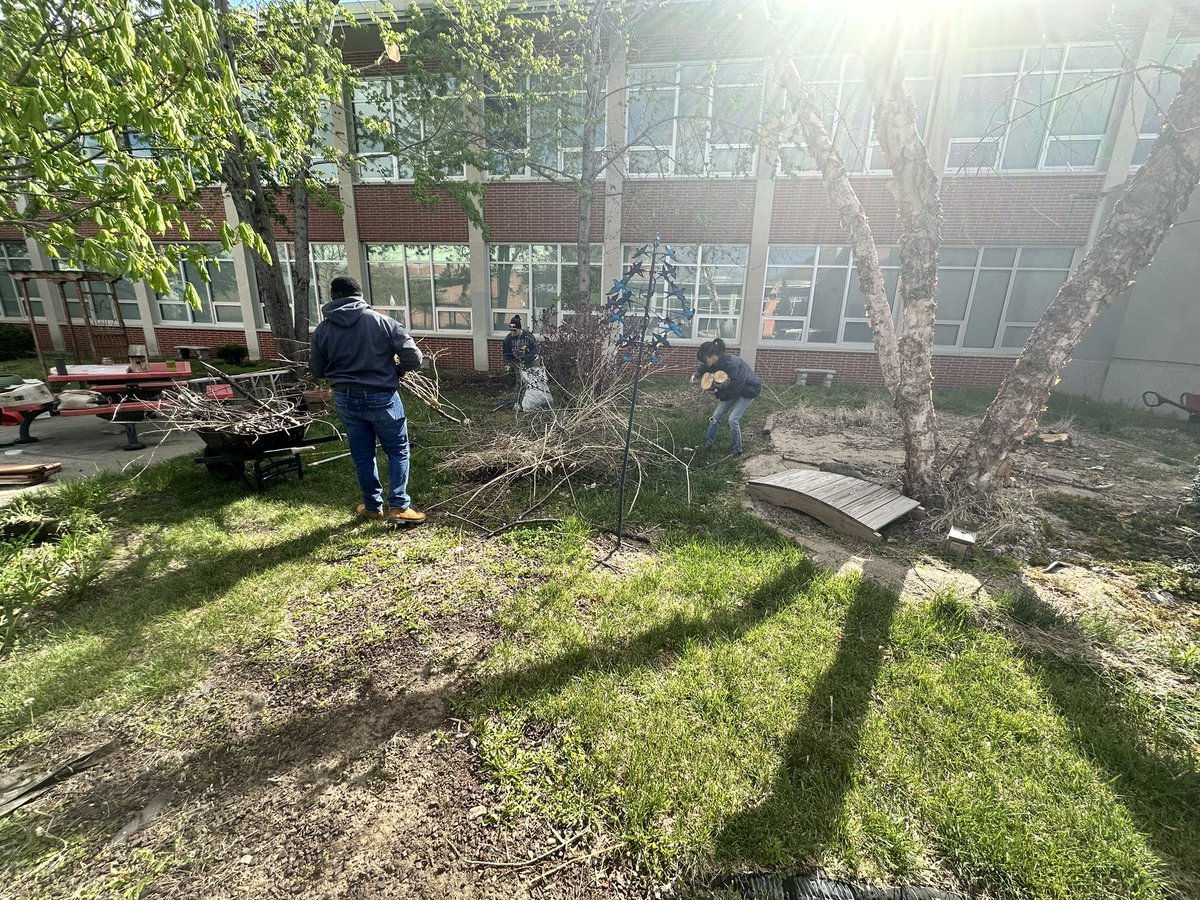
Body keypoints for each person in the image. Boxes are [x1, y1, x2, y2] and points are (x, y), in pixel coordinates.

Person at [309, 275, 426, 525]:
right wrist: (397, 371)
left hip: (345, 398)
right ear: (360, 295)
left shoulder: (323, 329)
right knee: (397, 450)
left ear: (335, 296)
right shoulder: (384, 322)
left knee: (362, 454)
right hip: (382, 397)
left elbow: (317, 370)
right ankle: (399, 506)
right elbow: (414, 358)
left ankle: (373, 507)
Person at [691, 338, 762, 456]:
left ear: (713, 355)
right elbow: (704, 367)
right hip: (733, 389)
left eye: (704, 359)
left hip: (749, 389)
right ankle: (708, 443)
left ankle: (737, 451)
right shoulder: (713, 362)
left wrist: (718, 393)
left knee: (733, 419)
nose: (703, 362)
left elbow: (735, 388)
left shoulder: (732, 363)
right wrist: (696, 375)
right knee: (715, 417)